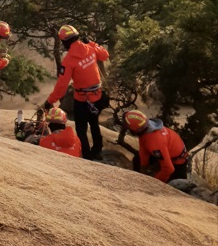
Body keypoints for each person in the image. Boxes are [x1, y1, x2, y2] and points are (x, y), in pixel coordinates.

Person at [44, 24, 110, 161]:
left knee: (81, 129)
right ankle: (97, 150)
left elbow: (62, 85)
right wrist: (92, 42)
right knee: (94, 123)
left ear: (65, 42)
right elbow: (105, 55)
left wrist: (50, 100)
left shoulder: (69, 60)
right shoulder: (91, 48)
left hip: (82, 99)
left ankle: (87, 156)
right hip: (96, 96)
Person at [123, 109, 189, 183]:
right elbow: (143, 150)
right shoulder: (145, 129)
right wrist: (143, 167)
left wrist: (154, 183)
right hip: (167, 153)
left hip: (177, 163)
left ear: (135, 130)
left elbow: (168, 168)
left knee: (176, 185)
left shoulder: (154, 141)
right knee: (137, 159)